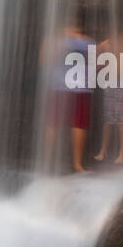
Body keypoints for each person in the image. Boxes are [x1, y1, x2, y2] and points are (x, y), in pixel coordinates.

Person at [42, 18, 94, 173]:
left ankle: (47, 162)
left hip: (57, 85)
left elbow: (43, 61)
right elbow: (96, 65)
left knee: (53, 123)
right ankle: (77, 164)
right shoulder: (88, 42)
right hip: (80, 87)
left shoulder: (53, 41)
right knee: (78, 124)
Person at [95, 33, 123, 164]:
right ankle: (103, 150)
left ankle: (122, 153)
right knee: (107, 119)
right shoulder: (104, 44)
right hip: (110, 83)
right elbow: (97, 65)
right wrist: (105, 66)